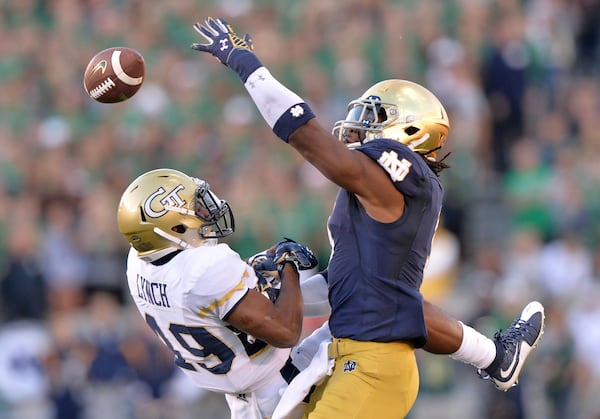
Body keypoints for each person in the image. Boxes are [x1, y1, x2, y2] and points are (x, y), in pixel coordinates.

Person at [190, 17, 545, 418]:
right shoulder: (373, 194)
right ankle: (497, 356)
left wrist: (248, 66)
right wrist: (264, 296)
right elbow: (349, 286)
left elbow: (307, 137)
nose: (359, 125)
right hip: (344, 356)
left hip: (375, 364)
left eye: (374, 116)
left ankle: (496, 356)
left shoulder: (406, 174)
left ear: (410, 128)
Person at [116, 167, 322, 419]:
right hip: (284, 387)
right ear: (174, 228)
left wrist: (254, 265)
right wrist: (288, 262)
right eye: (193, 209)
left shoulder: (138, 264)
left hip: (243, 401)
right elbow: (287, 331)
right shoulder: (206, 268)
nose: (205, 212)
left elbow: (204, 292)